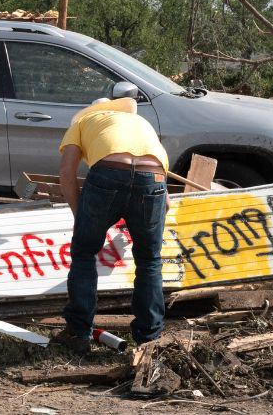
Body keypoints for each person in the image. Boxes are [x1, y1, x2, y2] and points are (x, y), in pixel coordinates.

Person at [56, 91, 169, 354]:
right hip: (153, 179)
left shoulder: (82, 123)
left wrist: (79, 215)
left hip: (109, 173)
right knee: (149, 259)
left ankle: (79, 332)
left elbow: (66, 172)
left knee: (84, 253)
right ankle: (149, 339)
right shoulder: (139, 123)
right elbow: (162, 182)